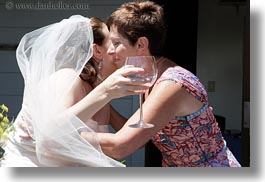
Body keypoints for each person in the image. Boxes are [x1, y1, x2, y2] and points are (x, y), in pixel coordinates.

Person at [81, 1, 241, 167]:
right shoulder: (151, 77)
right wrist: (103, 101)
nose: (111, 50)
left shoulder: (172, 84)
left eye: (116, 43)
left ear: (141, 44)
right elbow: (139, 137)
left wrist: (65, 134)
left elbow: (121, 146)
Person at [0, 15, 147, 167]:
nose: (119, 50)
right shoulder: (68, 78)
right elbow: (50, 137)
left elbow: (132, 139)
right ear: (97, 51)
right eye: (114, 43)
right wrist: (106, 91)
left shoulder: (99, 93)